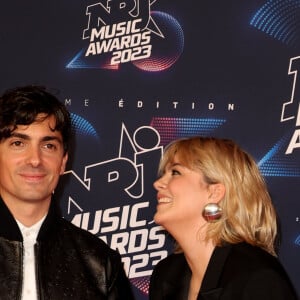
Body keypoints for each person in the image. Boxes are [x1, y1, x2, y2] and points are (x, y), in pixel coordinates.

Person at [0, 85, 134, 300]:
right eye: (18, 143)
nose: (35, 160)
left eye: (48, 146)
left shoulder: (99, 262)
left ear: (63, 162)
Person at [149, 136, 298, 300]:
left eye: (175, 172)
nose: (158, 183)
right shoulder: (166, 274)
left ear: (214, 193)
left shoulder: (257, 277)